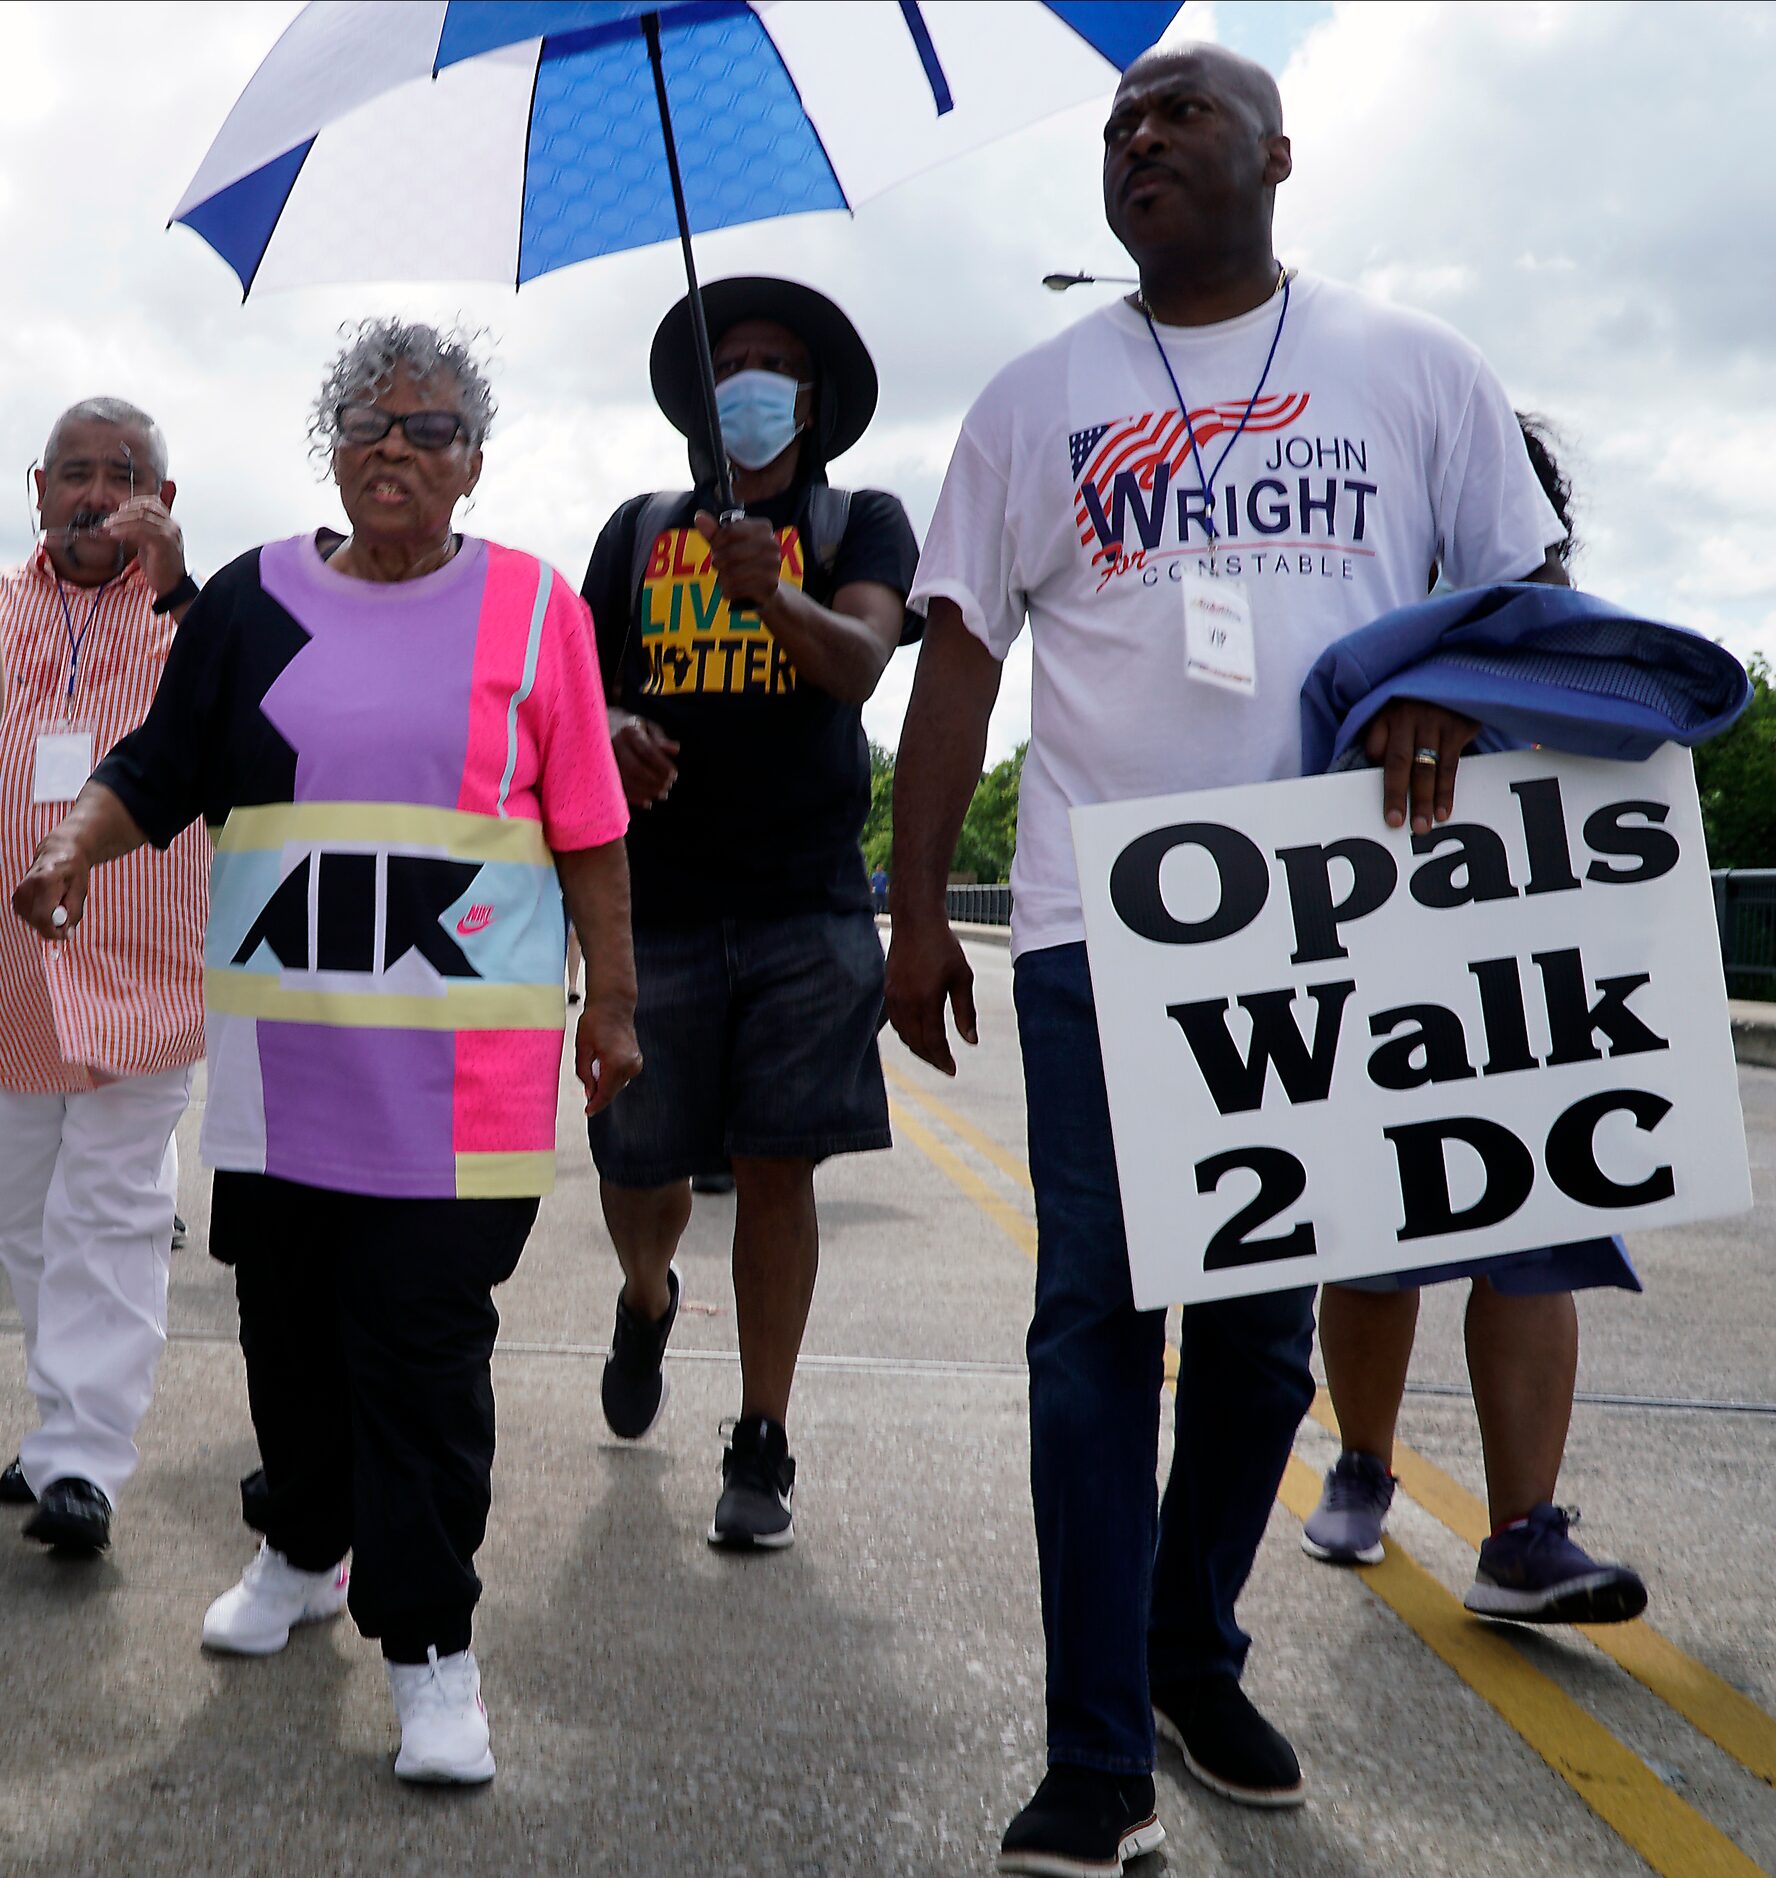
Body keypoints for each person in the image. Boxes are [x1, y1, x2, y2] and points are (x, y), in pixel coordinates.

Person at [886, 44, 1570, 1877]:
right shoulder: (1038, 398)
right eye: (1120, 127)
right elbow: (957, 657)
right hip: (1106, 936)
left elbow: (1525, 592)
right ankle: (1093, 1752)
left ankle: (1190, 1641)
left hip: (1337, 934)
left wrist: (1441, 682)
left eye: (1179, 114)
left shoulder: (1416, 369)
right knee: (1096, 1326)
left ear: (1279, 151)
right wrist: (910, 906)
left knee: (1264, 1346)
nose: (1142, 140)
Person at [11, 320, 639, 1786]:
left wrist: (612, 1005)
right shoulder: (251, 603)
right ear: (330, 450)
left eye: (430, 427)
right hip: (288, 1081)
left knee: (419, 1362)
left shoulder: (538, 610)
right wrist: (74, 846)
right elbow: (156, 768)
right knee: (286, 1333)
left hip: (456, 1090)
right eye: (367, 420)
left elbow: (593, 827)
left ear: (477, 461)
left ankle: (431, 1651)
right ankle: (300, 1548)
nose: (395, 446)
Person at [581, 276, 919, 1548]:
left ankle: (762, 1436)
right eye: (731, 368)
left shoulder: (858, 523)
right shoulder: (638, 528)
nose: (754, 385)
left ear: (817, 397)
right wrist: (615, 729)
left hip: (806, 907)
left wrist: (772, 591)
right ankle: (647, 1290)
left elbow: (865, 661)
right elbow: (568, 690)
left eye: (777, 365)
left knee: (780, 1167)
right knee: (642, 1165)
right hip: (654, 904)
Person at [1302, 416, 1647, 1624]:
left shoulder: (1587, 660)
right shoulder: (1358, 657)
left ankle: (1521, 1532)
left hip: (1530, 1006)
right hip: (1390, 999)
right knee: (1375, 1245)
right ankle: (1362, 1462)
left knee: (1534, 1236)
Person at [0, 397, 207, 1554]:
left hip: (144, 959)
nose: (91, 495)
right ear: (36, 488)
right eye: (71, 473)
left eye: (118, 473)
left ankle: (85, 1460)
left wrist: (177, 590)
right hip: (11, 971)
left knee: (114, 1210)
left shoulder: (203, 617)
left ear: (161, 499)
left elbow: (252, 722)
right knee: (26, 1216)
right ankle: (55, 1429)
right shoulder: (0, 606)